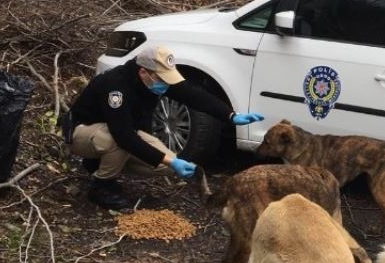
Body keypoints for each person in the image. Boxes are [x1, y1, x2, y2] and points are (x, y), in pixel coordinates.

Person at [64, 44, 263, 210]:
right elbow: (123, 135)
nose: (166, 85)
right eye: (162, 80)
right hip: (81, 132)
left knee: (164, 165)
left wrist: (230, 115)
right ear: (144, 72)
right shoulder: (115, 86)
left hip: (119, 133)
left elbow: (195, 96)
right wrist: (170, 160)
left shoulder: (157, 79)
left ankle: (99, 165)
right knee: (115, 142)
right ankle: (101, 186)